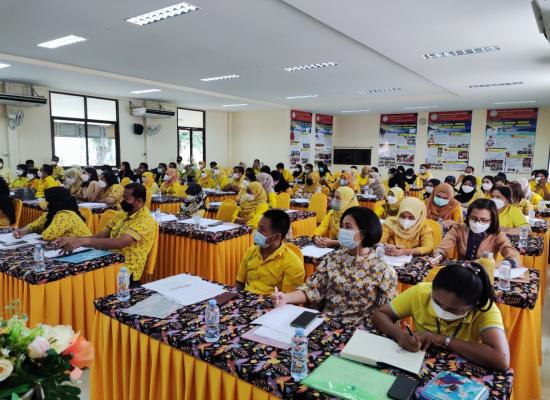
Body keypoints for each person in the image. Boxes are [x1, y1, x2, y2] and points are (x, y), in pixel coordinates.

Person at [372, 263, 510, 371]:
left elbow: (501, 360)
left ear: (473, 305)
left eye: (452, 309)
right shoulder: (421, 293)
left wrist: (443, 340)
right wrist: (400, 335)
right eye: (436, 302)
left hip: (462, 374)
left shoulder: (485, 309)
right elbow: (379, 314)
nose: (442, 310)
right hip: (415, 363)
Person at [272, 207, 397, 325]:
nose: (342, 231)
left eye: (348, 227)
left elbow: (385, 315)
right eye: (342, 226)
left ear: (363, 234)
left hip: (360, 330)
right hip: (326, 323)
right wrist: (286, 298)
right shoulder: (332, 259)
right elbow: (312, 289)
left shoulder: (384, 271)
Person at [55, 183, 156, 283]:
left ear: (139, 201)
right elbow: (101, 236)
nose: (122, 201)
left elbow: (119, 243)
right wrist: (75, 239)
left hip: (125, 272)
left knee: (81, 279)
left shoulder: (145, 220)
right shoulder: (122, 214)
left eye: (126, 198)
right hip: (107, 262)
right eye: (122, 197)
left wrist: (82, 241)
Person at [236, 210, 304, 295]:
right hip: (246, 299)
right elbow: (239, 282)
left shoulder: (293, 263)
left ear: (277, 236)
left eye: (262, 229)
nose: (257, 232)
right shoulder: (251, 251)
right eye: (258, 227)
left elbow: (289, 298)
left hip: (271, 302)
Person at [433, 198, 519, 262]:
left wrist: (485, 263)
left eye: (484, 220)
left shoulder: (497, 233)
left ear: (492, 220)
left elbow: (513, 257)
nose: (478, 223)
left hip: (485, 273)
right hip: (462, 271)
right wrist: (438, 256)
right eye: (473, 218)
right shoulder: (459, 228)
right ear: (468, 216)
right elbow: (443, 247)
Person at [14, 187, 91, 241]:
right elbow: (35, 225)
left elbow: (48, 236)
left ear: (56, 201)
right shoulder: (51, 213)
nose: (44, 201)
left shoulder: (65, 215)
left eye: (47, 199)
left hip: (81, 248)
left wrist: (37, 231)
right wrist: (24, 231)